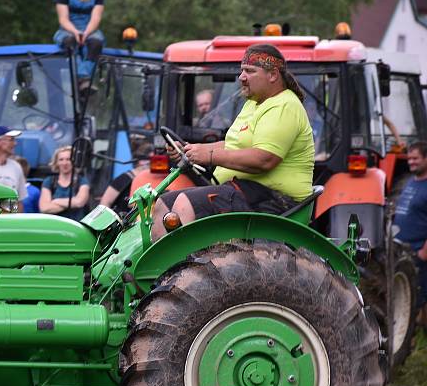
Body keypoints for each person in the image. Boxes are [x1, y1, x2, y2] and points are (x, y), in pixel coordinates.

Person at [153, 44, 314, 241]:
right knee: (163, 204)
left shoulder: (284, 106)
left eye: (249, 71)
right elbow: (232, 145)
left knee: (185, 204)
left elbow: (264, 159)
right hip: (248, 191)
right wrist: (192, 149)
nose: (241, 77)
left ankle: (186, 271)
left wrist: (210, 156)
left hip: (276, 200)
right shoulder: (254, 104)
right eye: (242, 71)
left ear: (272, 75)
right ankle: (158, 271)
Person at [393, 142, 427, 309]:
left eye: (416, 158)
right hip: (403, 251)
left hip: (419, 253)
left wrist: (424, 253)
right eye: (409, 158)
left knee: (419, 301)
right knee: (407, 300)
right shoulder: (410, 182)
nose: (411, 162)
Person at [54, 0, 105, 84]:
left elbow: (95, 18)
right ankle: (80, 77)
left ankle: (84, 77)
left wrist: (86, 33)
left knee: (96, 44)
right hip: (68, 29)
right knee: (69, 42)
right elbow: (63, 19)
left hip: (90, 30)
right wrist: (75, 32)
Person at [39, 146, 90, 220]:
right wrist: (72, 203)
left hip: (75, 227)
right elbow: (44, 208)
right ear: (56, 162)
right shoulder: (49, 181)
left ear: (74, 161)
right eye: (61, 159)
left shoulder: (82, 181)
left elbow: (79, 202)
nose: (64, 163)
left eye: (68, 159)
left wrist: (55, 201)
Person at [100, 142, 152, 216]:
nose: (150, 163)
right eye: (147, 160)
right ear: (138, 160)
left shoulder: (156, 180)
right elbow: (105, 203)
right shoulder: (124, 179)